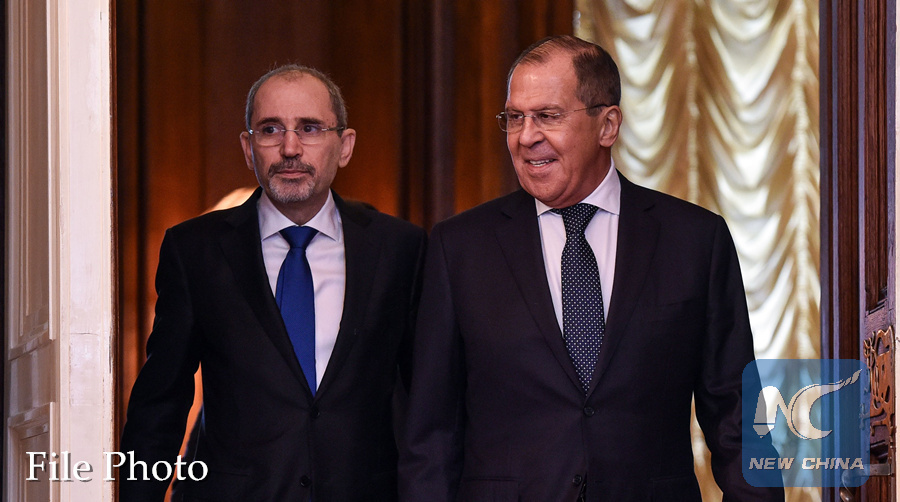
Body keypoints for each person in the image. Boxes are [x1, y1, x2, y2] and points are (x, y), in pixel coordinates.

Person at [399, 35, 783, 501]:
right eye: (514, 118)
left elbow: (735, 414)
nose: (525, 136)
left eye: (547, 116)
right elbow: (431, 434)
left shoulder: (694, 239)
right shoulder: (460, 247)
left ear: (608, 125)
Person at [121, 64, 426, 501]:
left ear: (345, 146)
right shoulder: (195, 250)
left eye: (310, 128)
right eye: (270, 130)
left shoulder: (401, 249)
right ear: (249, 149)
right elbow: (160, 404)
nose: (290, 148)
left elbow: (429, 401)